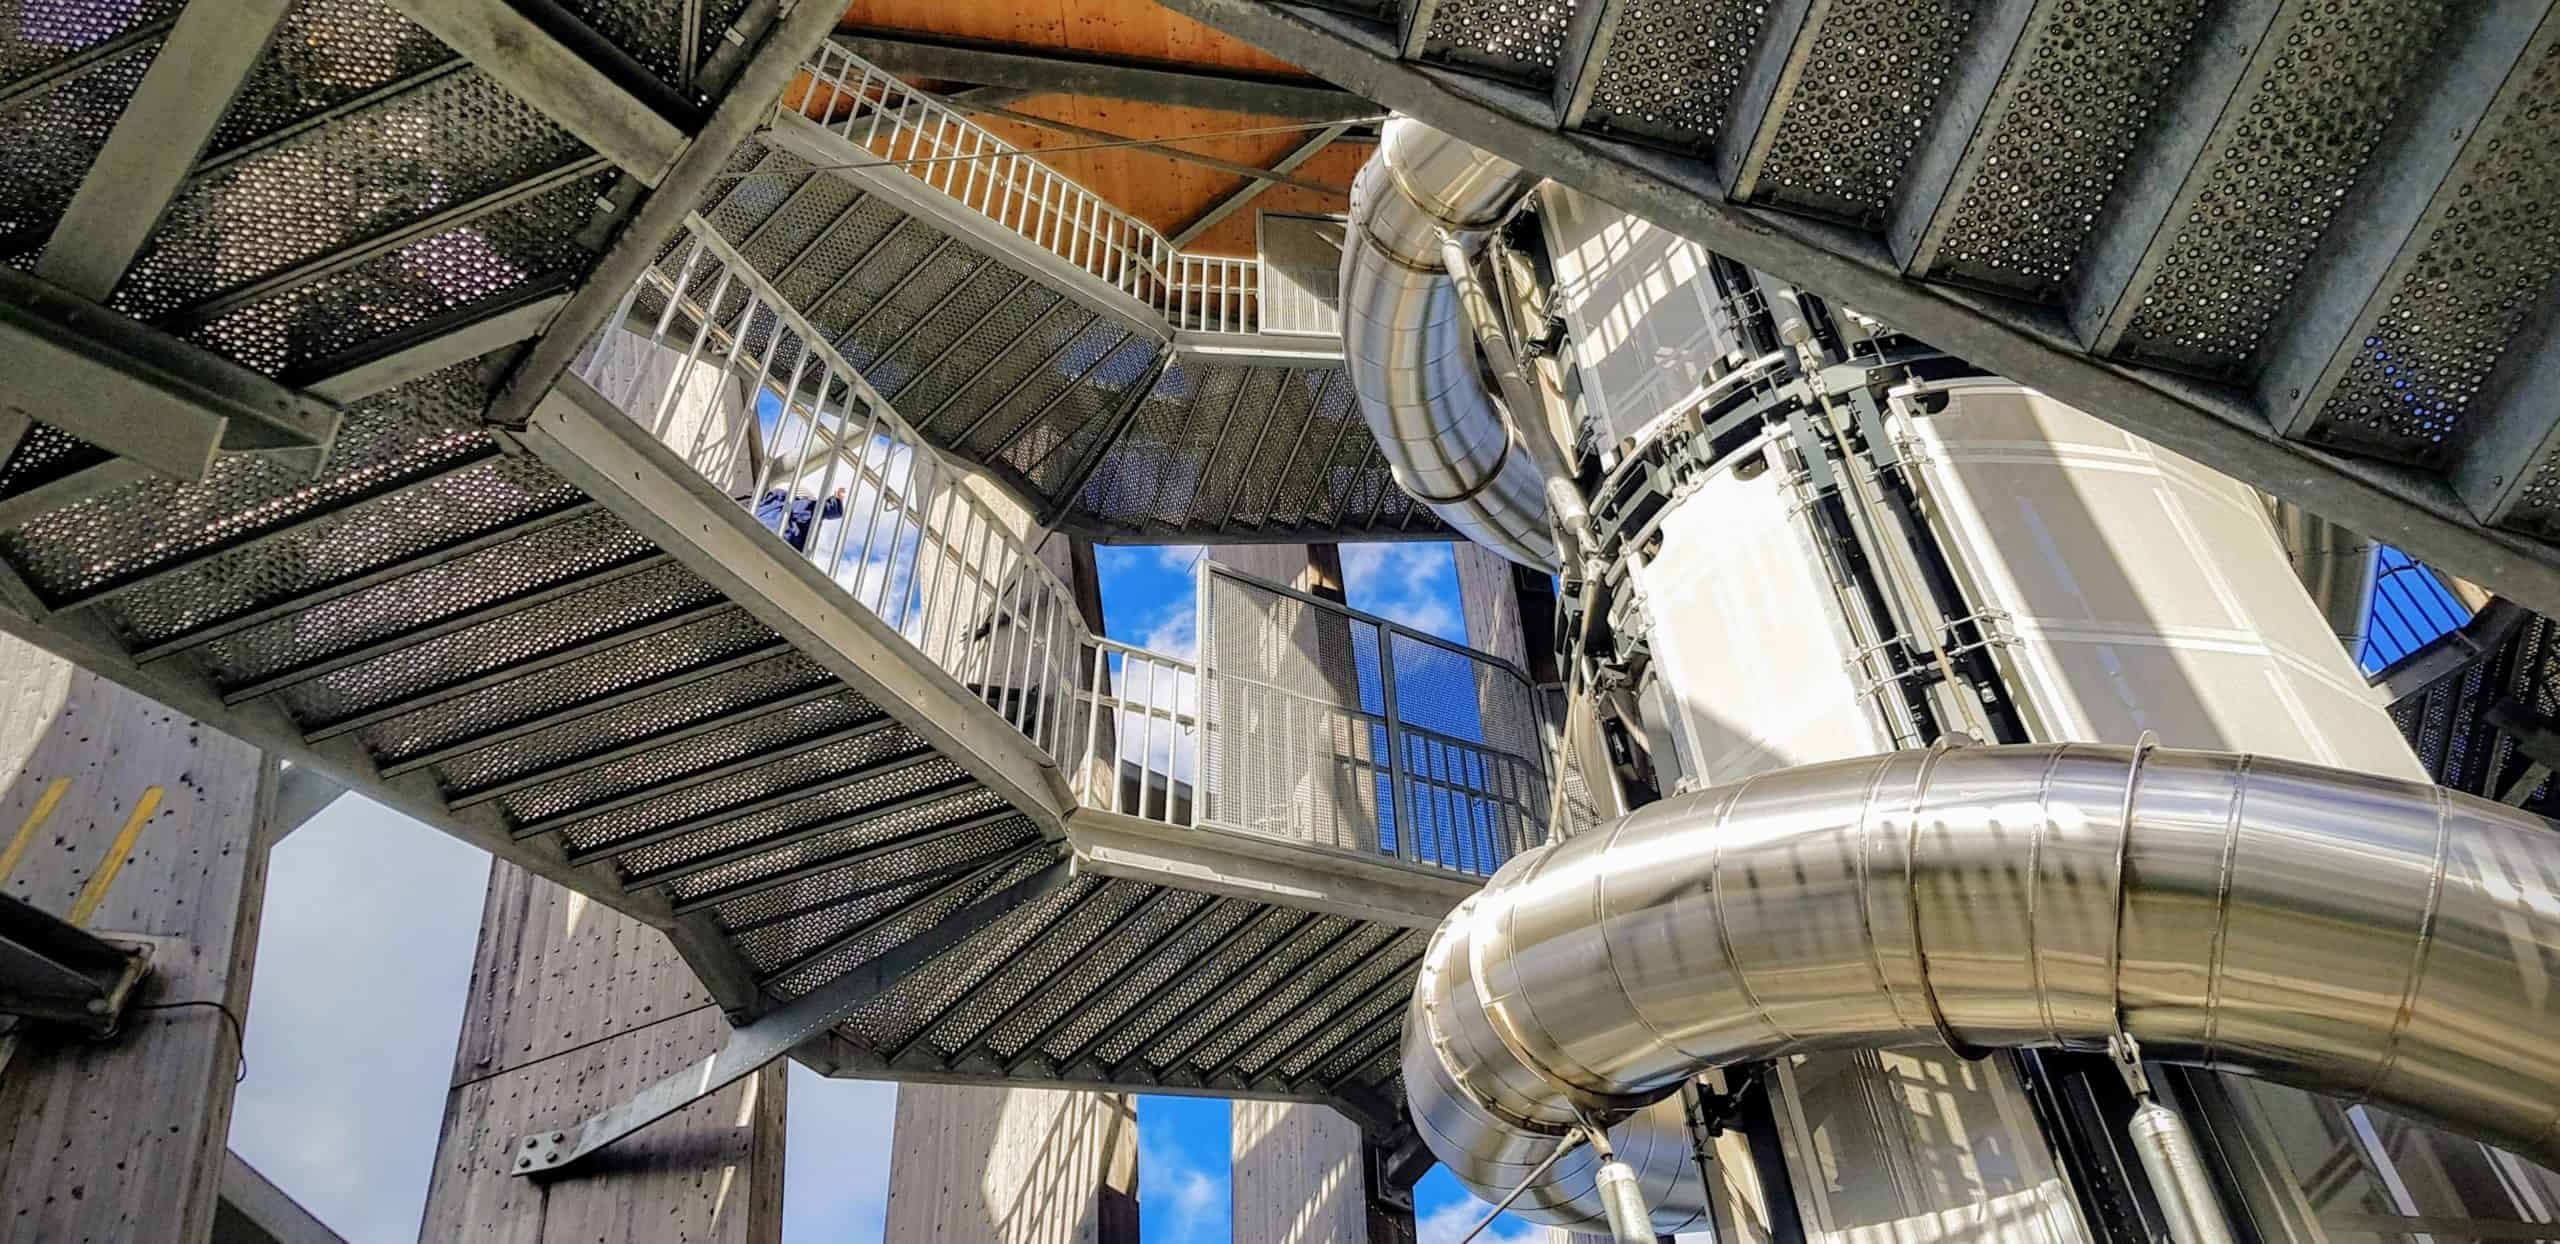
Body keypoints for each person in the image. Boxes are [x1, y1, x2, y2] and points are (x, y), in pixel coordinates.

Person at [754, 486, 847, 553]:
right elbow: (821, 509)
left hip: (755, 532)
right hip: (779, 542)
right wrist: (836, 500)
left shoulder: (765, 504)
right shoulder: (796, 505)